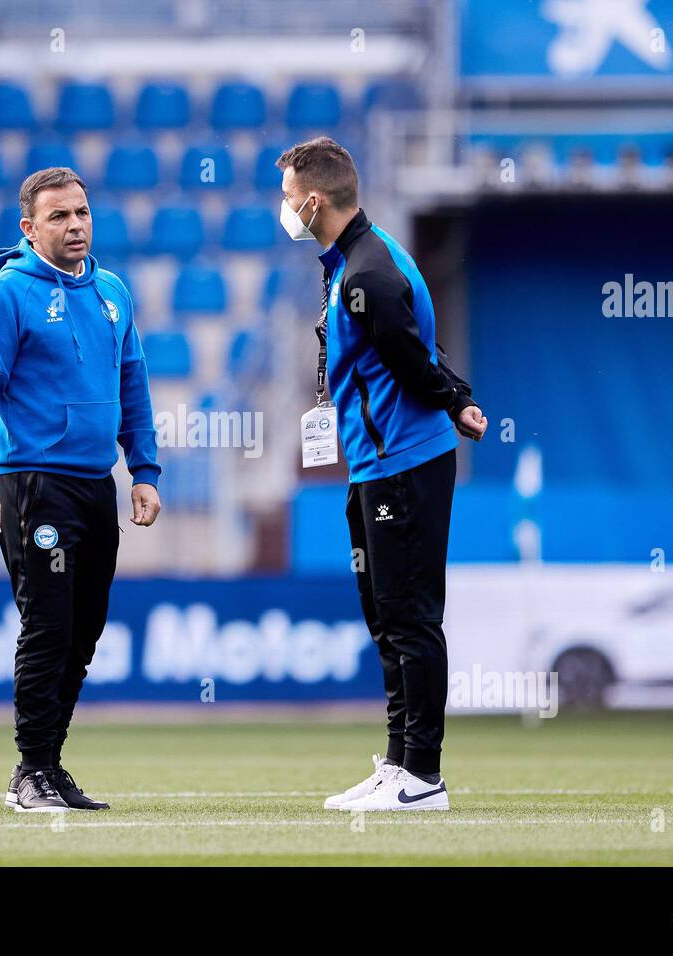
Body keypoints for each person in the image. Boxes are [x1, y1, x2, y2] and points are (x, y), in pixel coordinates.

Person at [275, 137, 488, 812]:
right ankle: (398, 761)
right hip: (376, 465)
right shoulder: (356, 264)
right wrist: (457, 393)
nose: (284, 208)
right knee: (387, 617)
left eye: (287, 196)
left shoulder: (369, 273)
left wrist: (455, 400)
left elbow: (409, 359)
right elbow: (415, 348)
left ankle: (423, 775)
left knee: (411, 619)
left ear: (314, 200)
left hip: (402, 464)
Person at [0, 167, 162, 813]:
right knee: (48, 623)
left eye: (82, 213)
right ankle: (29, 773)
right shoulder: (4, 295)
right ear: (29, 228)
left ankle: (49, 763)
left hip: (94, 485)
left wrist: (144, 471)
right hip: (33, 485)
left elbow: (134, 384)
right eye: (59, 217)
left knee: (84, 630)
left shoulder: (112, 292)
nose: (75, 226)